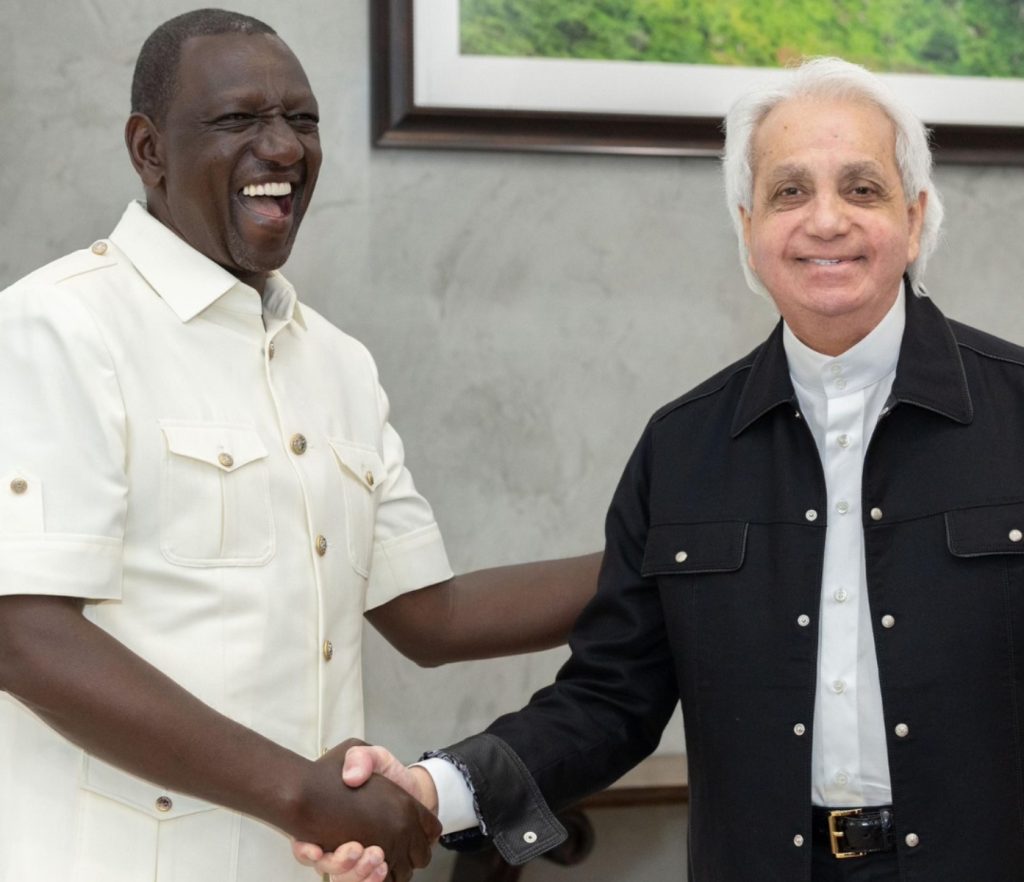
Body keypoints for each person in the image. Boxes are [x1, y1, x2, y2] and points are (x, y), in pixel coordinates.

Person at [306, 57, 1024, 881]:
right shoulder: (683, 448)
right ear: (749, 229)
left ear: (916, 217)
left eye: (862, 189)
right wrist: (432, 791)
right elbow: (610, 698)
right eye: (790, 192)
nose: (826, 221)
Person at [0, 9, 599, 882]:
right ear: (149, 149)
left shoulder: (338, 362)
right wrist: (300, 792)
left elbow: (431, 617)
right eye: (238, 121)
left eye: (302, 121)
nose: (282, 148)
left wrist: (672, 551)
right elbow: (25, 636)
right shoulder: (55, 326)